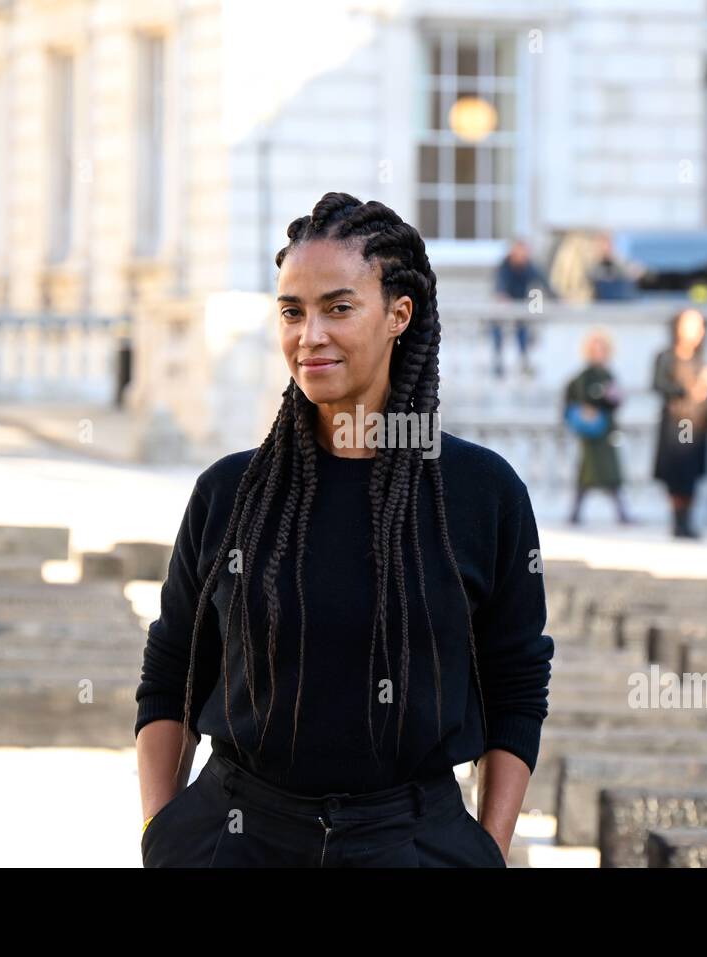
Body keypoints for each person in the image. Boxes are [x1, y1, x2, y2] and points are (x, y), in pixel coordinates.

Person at [135, 192, 553, 867]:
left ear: (398, 314)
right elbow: (171, 671)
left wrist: (489, 848)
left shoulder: (482, 494)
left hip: (412, 843)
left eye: (337, 308)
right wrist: (162, 834)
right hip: (234, 838)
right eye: (292, 312)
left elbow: (516, 684)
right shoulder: (228, 493)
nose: (309, 336)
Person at [652, 308, 707, 539]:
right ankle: (678, 521)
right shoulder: (667, 357)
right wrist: (696, 387)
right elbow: (663, 386)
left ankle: (686, 520)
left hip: (696, 424)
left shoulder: (700, 360)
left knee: (690, 473)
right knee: (677, 471)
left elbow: (705, 397)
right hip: (678, 424)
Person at [563, 330, 631, 525]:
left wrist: (612, 398)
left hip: (605, 431)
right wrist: (587, 407)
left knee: (610, 473)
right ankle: (576, 513)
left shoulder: (607, 374)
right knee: (588, 473)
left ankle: (621, 513)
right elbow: (575, 398)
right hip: (592, 432)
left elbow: (615, 402)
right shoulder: (584, 376)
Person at [491, 238, 552, 377]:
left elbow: (544, 282)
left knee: (522, 331)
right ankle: (498, 362)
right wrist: (502, 297)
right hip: (504, 308)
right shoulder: (504, 266)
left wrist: (557, 298)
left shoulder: (529, 267)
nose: (522, 256)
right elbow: (499, 286)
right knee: (497, 330)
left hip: (520, 307)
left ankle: (524, 361)